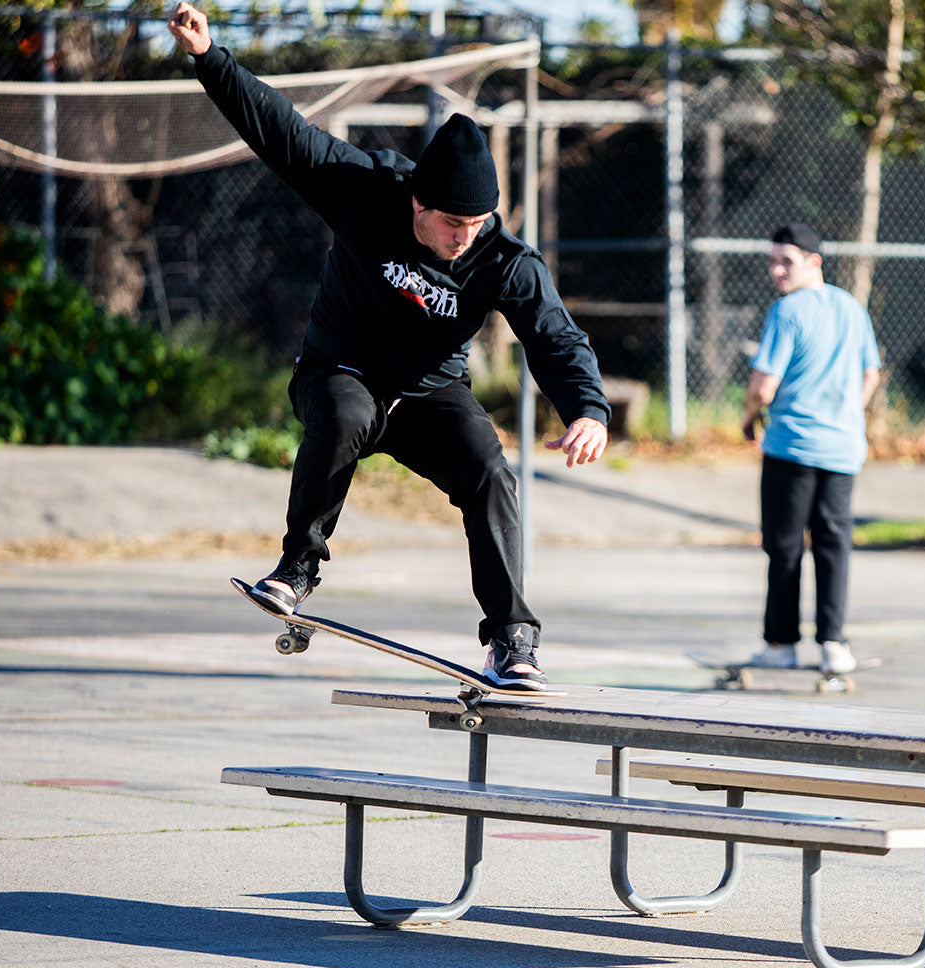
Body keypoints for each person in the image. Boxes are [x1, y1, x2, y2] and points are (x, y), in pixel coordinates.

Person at [168, 3, 609, 691]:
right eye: (452, 223)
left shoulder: (503, 259)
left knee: (491, 471)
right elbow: (281, 134)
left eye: (478, 223)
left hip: (430, 393)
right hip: (339, 371)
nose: (465, 236)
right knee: (342, 414)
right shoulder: (365, 190)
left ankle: (512, 638)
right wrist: (210, 57)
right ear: (416, 204)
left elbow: (555, 335)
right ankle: (297, 569)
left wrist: (589, 409)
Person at [740, 222, 880, 676]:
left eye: (787, 261)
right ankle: (834, 645)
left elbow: (763, 386)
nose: (777, 271)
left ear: (813, 262)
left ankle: (780, 644)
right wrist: (846, 413)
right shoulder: (851, 307)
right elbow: (871, 374)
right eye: (773, 261)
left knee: (784, 547)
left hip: (792, 448)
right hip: (843, 448)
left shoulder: (787, 311)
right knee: (833, 544)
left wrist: (748, 417)